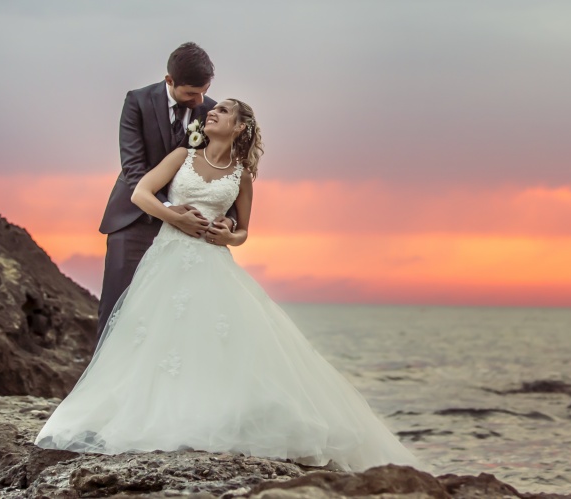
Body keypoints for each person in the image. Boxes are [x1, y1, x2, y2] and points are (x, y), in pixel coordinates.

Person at [36, 99, 419, 471]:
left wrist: (227, 235)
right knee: (158, 337)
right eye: (212, 111)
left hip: (212, 262)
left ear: (239, 127)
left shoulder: (242, 175)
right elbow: (140, 194)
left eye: (222, 111)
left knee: (212, 338)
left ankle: (213, 413)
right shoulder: (182, 156)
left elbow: (245, 232)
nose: (212, 113)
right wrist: (175, 217)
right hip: (167, 256)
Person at [96, 42, 235, 337]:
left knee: (175, 320)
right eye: (191, 93)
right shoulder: (138, 101)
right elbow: (134, 169)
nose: (199, 100)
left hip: (188, 234)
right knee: (115, 313)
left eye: (204, 91)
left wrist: (229, 220)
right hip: (133, 220)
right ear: (169, 80)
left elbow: (223, 170)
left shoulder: (210, 111)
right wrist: (171, 212)